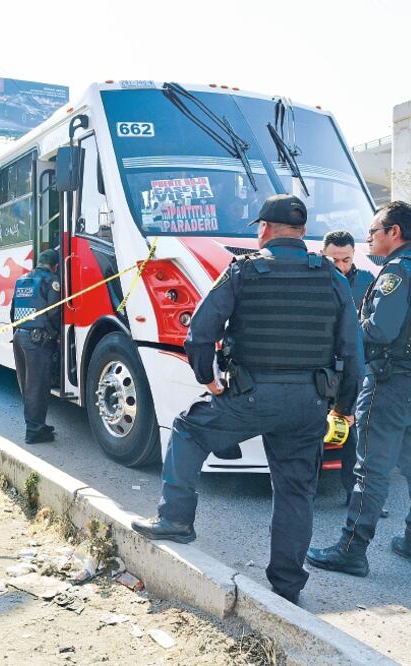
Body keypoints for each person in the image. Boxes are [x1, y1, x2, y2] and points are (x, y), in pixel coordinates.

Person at [130, 195, 363, 605]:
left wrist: (209, 379)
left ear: (264, 230)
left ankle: (176, 519)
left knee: (188, 429)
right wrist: (342, 407)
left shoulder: (243, 270)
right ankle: (287, 585)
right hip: (310, 403)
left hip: (249, 396)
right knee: (295, 491)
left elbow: (200, 333)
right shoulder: (332, 277)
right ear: (302, 232)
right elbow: (352, 352)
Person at [307, 201, 411, 576]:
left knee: (369, 471)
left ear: (394, 233)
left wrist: (347, 332)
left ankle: (351, 550)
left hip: (388, 384)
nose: (368, 238)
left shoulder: (398, 273)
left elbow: (381, 331)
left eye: (373, 231)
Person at [322, 230, 376, 502]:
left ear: (354, 255)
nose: (340, 266)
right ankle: (305, 493)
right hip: (320, 365)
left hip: (354, 366)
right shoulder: (314, 278)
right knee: (315, 427)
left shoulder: (367, 281)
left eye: (346, 259)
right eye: (334, 260)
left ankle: (355, 495)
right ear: (323, 255)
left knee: (355, 433)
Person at [10, 249, 62, 444]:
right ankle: (34, 431)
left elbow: (13, 310)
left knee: (27, 386)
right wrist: (57, 335)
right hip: (37, 341)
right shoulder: (51, 280)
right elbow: (54, 311)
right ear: (55, 266)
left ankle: (36, 425)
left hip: (20, 336)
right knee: (37, 388)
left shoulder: (22, 280)